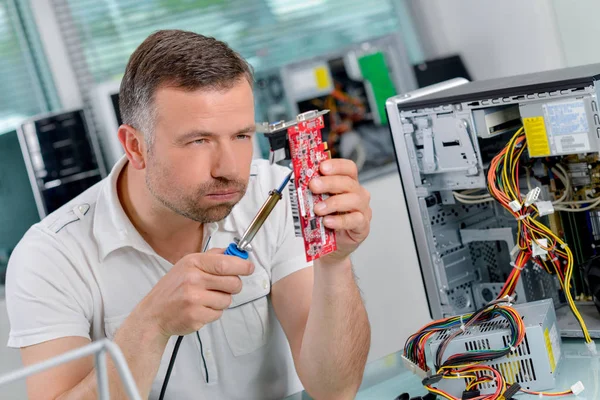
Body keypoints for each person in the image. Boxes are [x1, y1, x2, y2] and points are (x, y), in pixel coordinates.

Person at [6, 30, 371, 400]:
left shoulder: (272, 195)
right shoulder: (49, 257)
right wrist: (152, 324)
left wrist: (334, 263)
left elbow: (335, 389)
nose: (229, 168)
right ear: (136, 146)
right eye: (199, 141)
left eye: (242, 136)